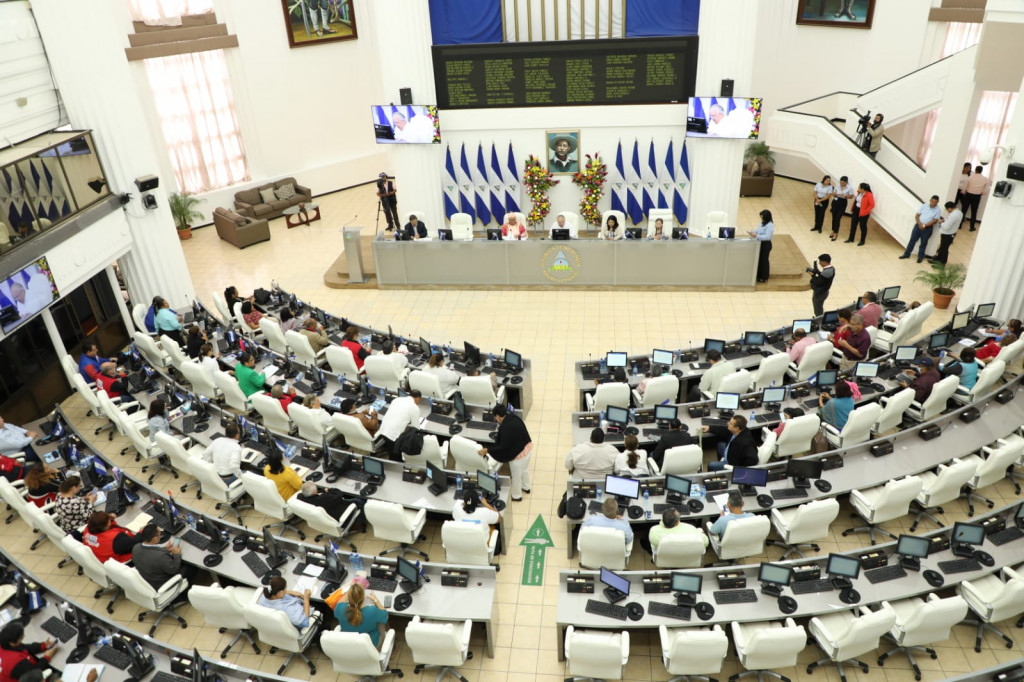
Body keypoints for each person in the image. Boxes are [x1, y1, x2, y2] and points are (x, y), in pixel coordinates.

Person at [478, 404, 533, 501]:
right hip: (528, 448)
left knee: (516, 477)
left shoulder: (505, 428)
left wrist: (488, 450)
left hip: (518, 456)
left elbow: (503, 448)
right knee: (525, 470)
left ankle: (517, 496)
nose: (495, 419)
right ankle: (526, 487)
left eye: (495, 417)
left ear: (498, 416)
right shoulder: (514, 417)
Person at [132, 522, 196, 589]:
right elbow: (173, 569)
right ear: (154, 539)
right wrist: (177, 554)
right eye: (159, 535)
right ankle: (185, 591)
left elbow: (150, 552)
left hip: (147, 577)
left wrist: (165, 549)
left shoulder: (136, 547)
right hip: (161, 584)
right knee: (191, 567)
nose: (160, 536)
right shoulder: (161, 557)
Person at [334, 583, 388, 648]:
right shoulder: (372, 611)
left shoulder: (340, 608)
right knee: (381, 623)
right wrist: (376, 600)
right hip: (370, 646)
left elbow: (340, 602)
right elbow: (385, 615)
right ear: (363, 597)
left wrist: (351, 590)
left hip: (348, 644)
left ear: (349, 597)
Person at [643, 507, 709, 556]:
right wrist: (700, 532)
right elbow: (706, 543)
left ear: (662, 520)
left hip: (666, 558)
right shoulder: (690, 529)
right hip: (685, 557)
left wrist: (661, 524)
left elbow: (654, 543)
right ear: (677, 522)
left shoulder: (654, 531)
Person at [375, 390, 421, 456]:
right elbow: (416, 427)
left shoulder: (397, 399)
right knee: (395, 454)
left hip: (383, 429)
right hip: (393, 435)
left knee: (390, 449)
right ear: (418, 398)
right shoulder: (414, 407)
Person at [297, 482, 364, 526]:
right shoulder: (326, 498)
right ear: (314, 492)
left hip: (325, 519)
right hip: (340, 516)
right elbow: (339, 493)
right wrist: (329, 490)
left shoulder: (300, 497)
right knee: (360, 500)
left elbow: (318, 494)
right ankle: (360, 521)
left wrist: (323, 491)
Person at [900, 195, 943, 263]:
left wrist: (924, 225)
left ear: (937, 202)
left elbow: (934, 221)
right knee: (912, 240)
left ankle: (920, 257)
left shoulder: (938, 210)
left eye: (935, 202)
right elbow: (917, 215)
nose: (933, 203)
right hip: (918, 226)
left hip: (927, 229)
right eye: (932, 201)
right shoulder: (924, 205)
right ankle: (906, 254)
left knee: (923, 243)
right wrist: (920, 224)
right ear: (930, 200)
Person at [929, 201, 963, 265]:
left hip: (947, 234)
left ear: (950, 208)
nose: (947, 211)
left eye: (947, 209)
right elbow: (950, 221)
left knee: (944, 249)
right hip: (951, 233)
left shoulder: (953, 215)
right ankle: (938, 259)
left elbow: (946, 227)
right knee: (942, 248)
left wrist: (941, 222)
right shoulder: (959, 213)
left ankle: (942, 263)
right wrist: (945, 220)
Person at [748, 209, 774, 282]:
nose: (762, 219)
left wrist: (756, 235)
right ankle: (758, 275)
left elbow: (767, 237)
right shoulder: (762, 223)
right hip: (760, 243)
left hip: (766, 244)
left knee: (764, 260)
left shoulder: (770, 226)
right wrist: (752, 232)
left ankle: (764, 276)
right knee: (759, 260)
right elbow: (758, 230)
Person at [962, 165, 990, 231]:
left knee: (964, 210)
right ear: (981, 171)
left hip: (968, 195)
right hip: (977, 196)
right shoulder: (985, 179)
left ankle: (959, 225)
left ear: (975, 170)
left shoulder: (970, 177)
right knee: (974, 212)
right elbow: (986, 190)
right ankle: (972, 227)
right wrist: (981, 193)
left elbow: (964, 187)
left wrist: (964, 192)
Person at [830, 176, 855, 241]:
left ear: (846, 182)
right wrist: (834, 194)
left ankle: (836, 233)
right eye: (841, 182)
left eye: (843, 183)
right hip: (835, 201)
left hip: (843, 202)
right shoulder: (837, 186)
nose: (841, 184)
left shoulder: (850, 188)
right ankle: (833, 230)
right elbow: (833, 194)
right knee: (834, 217)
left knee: (838, 218)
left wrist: (845, 196)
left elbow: (851, 196)